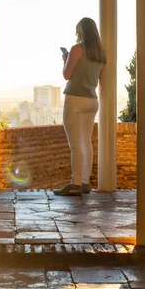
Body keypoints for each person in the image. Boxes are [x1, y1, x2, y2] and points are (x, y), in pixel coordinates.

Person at [54, 17, 106, 196]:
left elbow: (67, 75)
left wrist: (65, 59)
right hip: (92, 100)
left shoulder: (77, 49)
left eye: (77, 31)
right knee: (86, 142)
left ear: (81, 32)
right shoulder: (100, 53)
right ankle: (84, 182)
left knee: (75, 145)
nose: (76, 35)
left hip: (75, 99)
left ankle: (75, 184)